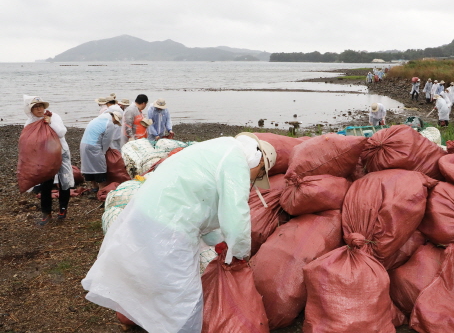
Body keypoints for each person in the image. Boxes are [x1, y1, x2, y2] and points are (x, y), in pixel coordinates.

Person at [82, 132, 277, 332]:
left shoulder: (220, 148)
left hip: (146, 213)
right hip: (168, 227)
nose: (254, 180)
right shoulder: (237, 162)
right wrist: (240, 253)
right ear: (259, 163)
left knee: (151, 280)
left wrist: (218, 242)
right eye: (259, 175)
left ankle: (152, 323)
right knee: (182, 295)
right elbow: (236, 213)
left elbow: (203, 207)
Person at [23, 95, 75, 225]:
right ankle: (46, 213)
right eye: (35, 107)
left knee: (64, 181)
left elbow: (62, 132)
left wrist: (50, 122)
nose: (39, 109)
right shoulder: (30, 123)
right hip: (44, 156)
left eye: (40, 106)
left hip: (61, 152)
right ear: (30, 110)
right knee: (46, 183)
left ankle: (63, 209)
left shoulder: (54, 116)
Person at [80, 110, 123, 191]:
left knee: (88, 165)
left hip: (83, 144)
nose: (115, 123)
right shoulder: (109, 123)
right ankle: (102, 188)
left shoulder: (96, 119)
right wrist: (104, 151)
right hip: (94, 145)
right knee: (100, 167)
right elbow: (107, 140)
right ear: (114, 118)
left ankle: (94, 187)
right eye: (116, 121)